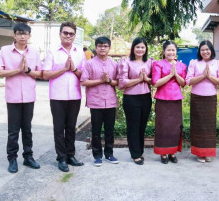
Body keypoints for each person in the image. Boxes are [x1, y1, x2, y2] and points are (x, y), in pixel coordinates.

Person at [0, 23, 42, 173]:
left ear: (29, 36)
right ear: (14, 35)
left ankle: (28, 157)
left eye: (25, 33)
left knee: (27, 130)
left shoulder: (34, 52)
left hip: (29, 96)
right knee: (13, 131)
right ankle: (12, 159)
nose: (22, 36)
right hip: (13, 97)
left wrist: (27, 70)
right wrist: (18, 70)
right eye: (19, 33)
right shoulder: (5, 51)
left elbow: (40, 74)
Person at [43, 22, 86, 172]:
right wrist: (63, 69)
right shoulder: (52, 51)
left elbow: (84, 76)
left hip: (74, 95)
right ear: (60, 34)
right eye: (65, 33)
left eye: (71, 33)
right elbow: (45, 74)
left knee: (71, 127)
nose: (68, 36)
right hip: (57, 96)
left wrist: (73, 68)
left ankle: (70, 156)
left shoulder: (80, 52)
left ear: (75, 36)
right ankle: (61, 158)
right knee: (59, 128)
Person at [80, 37, 119, 167]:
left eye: (105, 46)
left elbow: (118, 83)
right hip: (95, 102)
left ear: (109, 48)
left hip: (110, 101)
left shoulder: (114, 64)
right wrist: (101, 81)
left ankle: (109, 154)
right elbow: (84, 81)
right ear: (96, 48)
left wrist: (108, 81)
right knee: (96, 130)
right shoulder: (89, 64)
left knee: (110, 130)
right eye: (100, 45)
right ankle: (97, 155)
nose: (103, 48)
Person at [185, 40, 219, 163]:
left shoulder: (217, 63)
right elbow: (188, 81)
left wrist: (210, 77)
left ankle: (207, 153)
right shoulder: (194, 63)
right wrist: (202, 76)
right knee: (198, 126)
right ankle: (199, 153)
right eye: (202, 49)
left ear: (211, 50)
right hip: (197, 98)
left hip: (210, 98)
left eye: (207, 49)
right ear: (199, 51)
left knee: (209, 126)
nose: (205, 52)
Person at [118, 37, 152, 165]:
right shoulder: (126, 62)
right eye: (137, 47)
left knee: (142, 126)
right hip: (131, 98)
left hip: (146, 97)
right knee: (133, 126)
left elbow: (154, 80)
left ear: (146, 49)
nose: (140, 49)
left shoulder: (149, 62)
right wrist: (139, 79)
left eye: (142, 47)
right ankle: (135, 154)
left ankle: (140, 151)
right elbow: (122, 83)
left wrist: (146, 79)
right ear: (133, 48)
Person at [152, 41, 187, 164]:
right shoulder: (158, 64)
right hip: (162, 99)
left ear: (176, 52)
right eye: (168, 50)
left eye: (173, 50)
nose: (171, 52)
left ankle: (173, 152)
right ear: (164, 51)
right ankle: (163, 153)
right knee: (163, 126)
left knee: (175, 127)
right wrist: (170, 75)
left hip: (176, 99)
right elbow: (156, 83)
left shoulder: (182, 66)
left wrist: (175, 74)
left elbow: (183, 83)